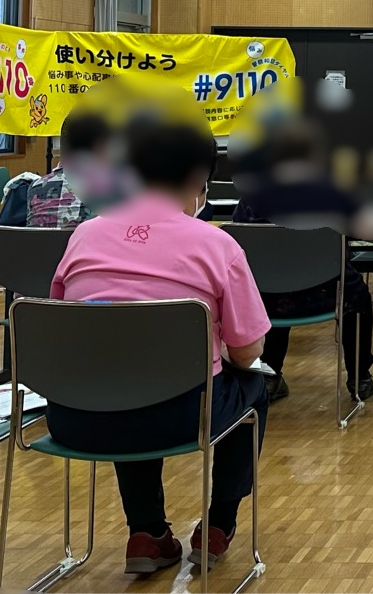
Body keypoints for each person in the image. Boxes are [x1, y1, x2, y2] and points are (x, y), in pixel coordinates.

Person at [46, 112, 271, 575]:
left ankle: (146, 533)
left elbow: (60, 326)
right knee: (253, 390)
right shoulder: (218, 245)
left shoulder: (83, 236)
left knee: (121, 376)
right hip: (181, 418)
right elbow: (249, 352)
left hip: (75, 417)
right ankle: (218, 524)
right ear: (198, 178)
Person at [229, 199, 373, 403]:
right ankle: (360, 377)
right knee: (357, 296)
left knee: (273, 286)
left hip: (269, 301)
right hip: (328, 295)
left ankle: (270, 376)